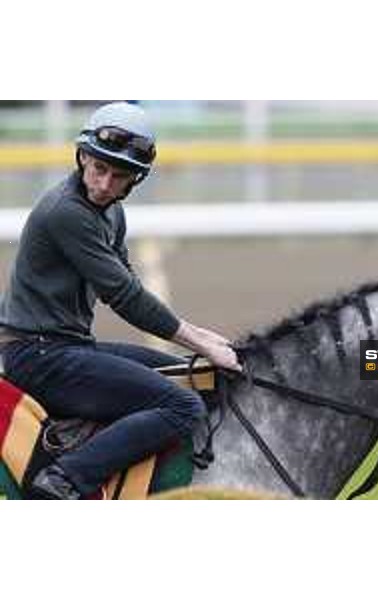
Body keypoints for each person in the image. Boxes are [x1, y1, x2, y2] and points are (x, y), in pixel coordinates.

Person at [0, 102, 242, 499]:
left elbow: (127, 280)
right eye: (99, 169)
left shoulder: (112, 213)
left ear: (135, 181)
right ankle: (62, 481)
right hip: (37, 358)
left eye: (119, 176)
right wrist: (202, 342)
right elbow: (125, 296)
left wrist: (205, 341)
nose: (104, 184)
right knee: (184, 407)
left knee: (196, 376)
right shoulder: (67, 212)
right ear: (82, 157)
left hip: (68, 347)